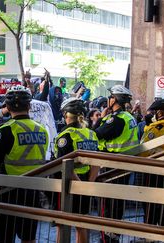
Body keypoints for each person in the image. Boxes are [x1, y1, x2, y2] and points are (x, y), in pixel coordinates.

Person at [0, 85, 48, 243]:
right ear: (29, 106)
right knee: (29, 238)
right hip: (33, 193)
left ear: (7, 106)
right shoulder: (42, 130)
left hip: (8, 194)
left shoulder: (5, 130)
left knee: (3, 238)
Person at [94, 85, 139, 243]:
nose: (109, 99)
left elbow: (95, 135)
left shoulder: (116, 120)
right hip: (123, 165)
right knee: (117, 202)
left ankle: (107, 237)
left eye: (111, 96)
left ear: (117, 99)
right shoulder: (128, 117)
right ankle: (114, 236)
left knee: (108, 204)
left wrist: (98, 120)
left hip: (112, 166)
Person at [54, 98, 99, 243]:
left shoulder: (65, 135)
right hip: (86, 182)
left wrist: (78, 185)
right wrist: (87, 185)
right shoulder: (91, 133)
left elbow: (64, 164)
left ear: (66, 115)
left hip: (68, 184)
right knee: (82, 224)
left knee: (62, 223)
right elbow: (96, 163)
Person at [139, 98, 164, 227]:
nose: (153, 114)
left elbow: (143, 148)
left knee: (149, 200)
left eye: (155, 111)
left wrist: (148, 127)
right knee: (161, 198)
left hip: (152, 167)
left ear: (160, 113)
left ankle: (149, 230)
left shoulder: (157, 128)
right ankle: (162, 226)